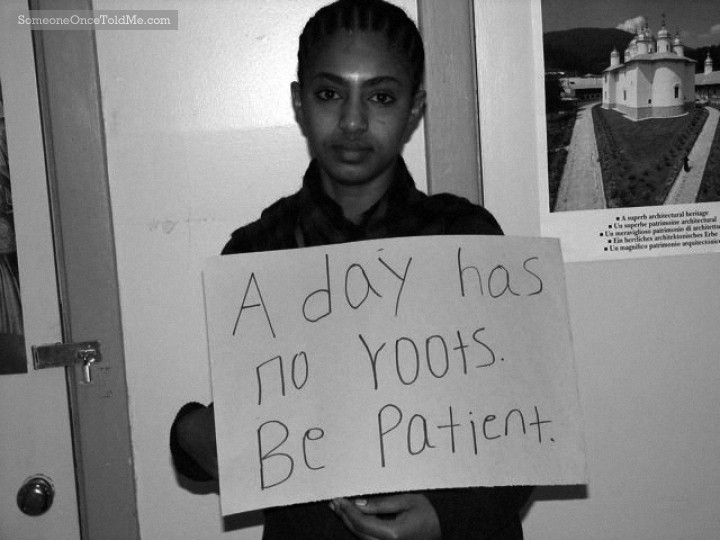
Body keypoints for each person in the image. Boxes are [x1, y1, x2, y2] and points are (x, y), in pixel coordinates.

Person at [170, 0, 532, 538]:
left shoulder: (467, 241)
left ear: (414, 108)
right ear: (299, 102)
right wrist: (192, 437)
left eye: (381, 97)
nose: (353, 122)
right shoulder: (257, 256)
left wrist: (447, 517)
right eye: (329, 94)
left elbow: (526, 428)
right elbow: (233, 434)